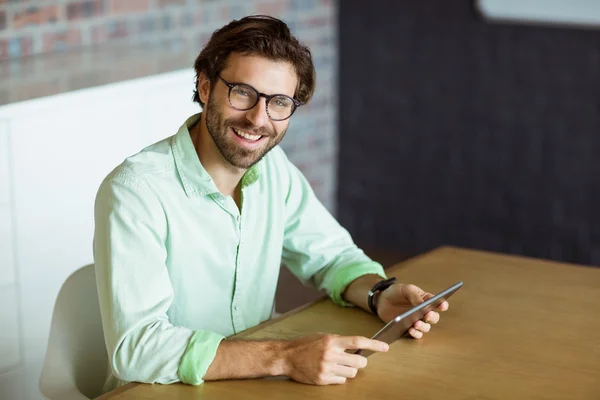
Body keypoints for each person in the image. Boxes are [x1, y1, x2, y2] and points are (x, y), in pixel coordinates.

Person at [93, 15, 449, 393]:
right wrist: (284, 356)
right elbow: (138, 347)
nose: (258, 119)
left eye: (278, 102)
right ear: (204, 85)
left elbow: (331, 256)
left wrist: (380, 294)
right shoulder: (136, 190)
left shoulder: (272, 168)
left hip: (254, 385)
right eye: (243, 92)